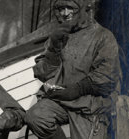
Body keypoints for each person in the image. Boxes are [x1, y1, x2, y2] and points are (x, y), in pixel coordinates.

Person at [25, 0, 122, 139]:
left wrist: (77, 89)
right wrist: (54, 47)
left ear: (83, 8)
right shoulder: (59, 36)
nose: (64, 13)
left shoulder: (103, 36)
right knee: (36, 117)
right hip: (62, 102)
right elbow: (42, 73)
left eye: (70, 8)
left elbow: (107, 77)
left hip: (90, 105)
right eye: (60, 8)